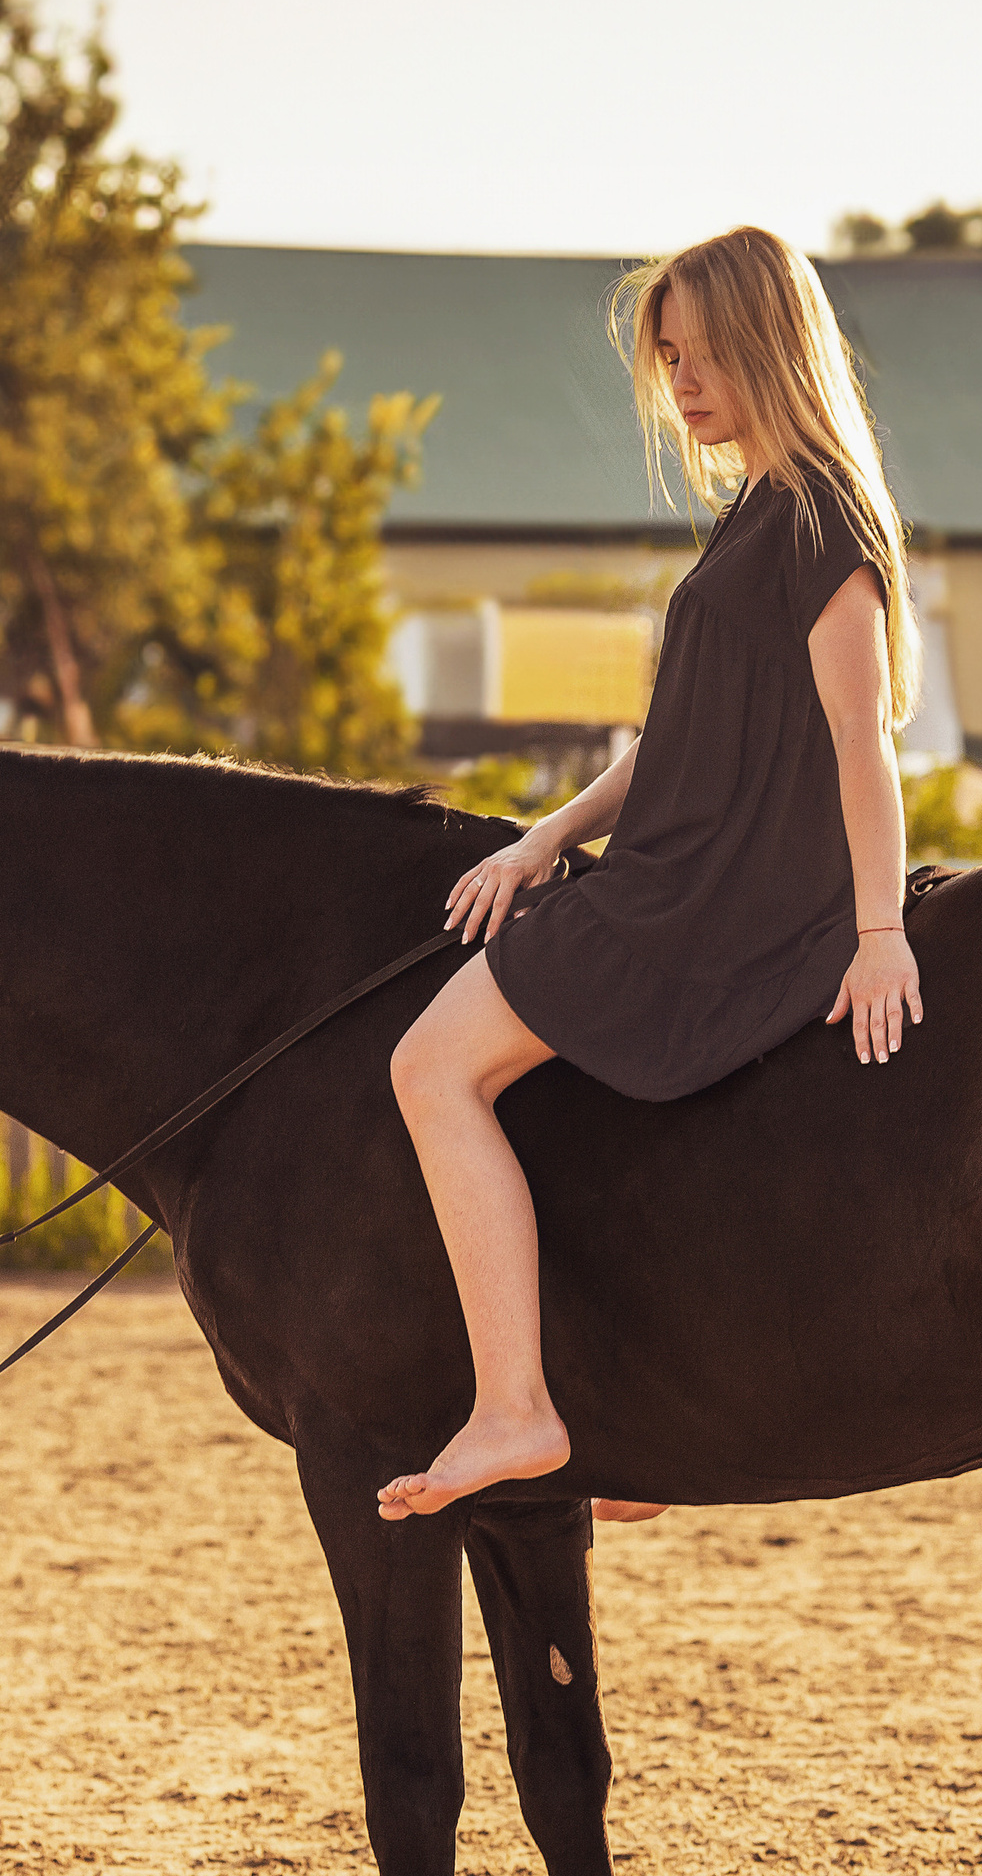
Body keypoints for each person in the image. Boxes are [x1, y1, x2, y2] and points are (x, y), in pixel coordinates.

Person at [375, 225, 924, 1523]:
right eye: (669, 355)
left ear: (775, 345)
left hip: (708, 904)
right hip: (670, 873)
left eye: (709, 352)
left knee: (430, 1068)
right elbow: (673, 745)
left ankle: (517, 1408)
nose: (683, 380)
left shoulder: (820, 522)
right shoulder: (754, 517)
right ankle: (634, 1423)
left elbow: (863, 739)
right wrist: (544, 837)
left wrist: (881, 930)